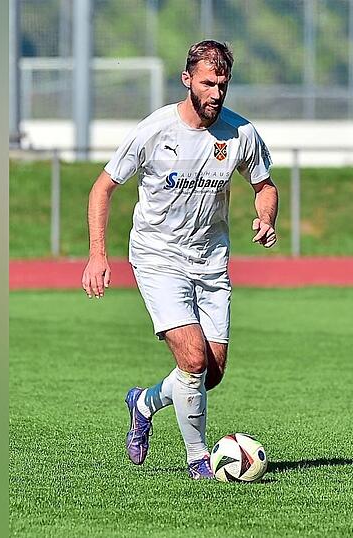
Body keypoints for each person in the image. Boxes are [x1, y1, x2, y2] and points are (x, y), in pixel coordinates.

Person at [81, 40, 278, 480]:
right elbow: (102, 188)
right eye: (208, 83)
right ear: (187, 80)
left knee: (211, 373)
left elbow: (265, 185)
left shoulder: (240, 133)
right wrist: (98, 255)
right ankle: (198, 459)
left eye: (223, 84)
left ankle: (145, 402)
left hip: (210, 261)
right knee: (192, 360)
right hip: (158, 257)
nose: (216, 93)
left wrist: (265, 217)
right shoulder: (155, 130)